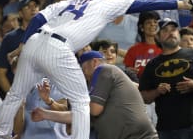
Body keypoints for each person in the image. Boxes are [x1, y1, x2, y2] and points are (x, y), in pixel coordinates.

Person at [0, 0, 193, 139]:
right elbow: (145, 5)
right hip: (58, 46)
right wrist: (180, 5)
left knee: (16, 94)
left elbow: (38, 17)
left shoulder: (67, 2)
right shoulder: (103, 3)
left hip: (36, 41)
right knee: (81, 100)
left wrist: (23, 44)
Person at [31, 51, 159, 139]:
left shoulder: (104, 69)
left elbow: (94, 110)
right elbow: (80, 117)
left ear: (94, 62)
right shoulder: (89, 91)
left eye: (82, 67)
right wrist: (46, 114)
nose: (82, 72)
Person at [139, 18, 193, 139]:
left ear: (179, 34)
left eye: (174, 29)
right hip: (166, 128)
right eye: (165, 30)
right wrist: (157, 91)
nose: (170, 33)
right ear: (158, 37)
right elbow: (144, 98)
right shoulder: (152, 65)